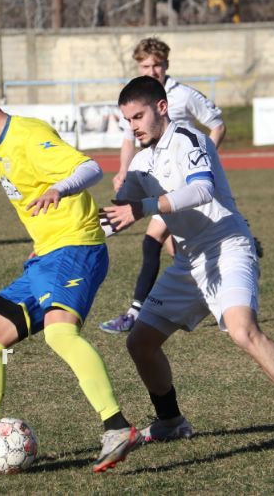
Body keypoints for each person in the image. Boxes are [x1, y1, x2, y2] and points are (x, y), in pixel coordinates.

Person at [101, 75, 274, 458]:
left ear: (162, 107)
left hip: (227, 244)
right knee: (140, 343)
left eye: (138, 116)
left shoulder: (189, 139)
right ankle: (170, 421)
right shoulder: (142, 162)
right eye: (128, 120)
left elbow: (202, 189)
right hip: (189, 259)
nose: (133, 127)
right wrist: (61, 239)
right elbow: (115, 215)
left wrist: (144, 207)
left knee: (243, 331)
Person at [0, 66, 141, 474]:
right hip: (45, 256)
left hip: (75, 246)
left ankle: (117, 427)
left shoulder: (29, 134)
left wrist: (59, 188)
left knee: (60, 333)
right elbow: (4, 165)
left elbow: (90, 168)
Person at [98, 37, 227, 334]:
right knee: (178, 249)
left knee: (154, 240)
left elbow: (217, 125)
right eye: (145, 66)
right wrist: (125, 172)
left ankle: (136, 311)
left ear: (166, 65)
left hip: (187, 186)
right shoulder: (135, 100)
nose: (152, 70)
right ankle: (215, 276)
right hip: (156, 180)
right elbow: (130, 140)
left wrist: (204, 160)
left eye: (156, 65)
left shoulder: (183, 95)